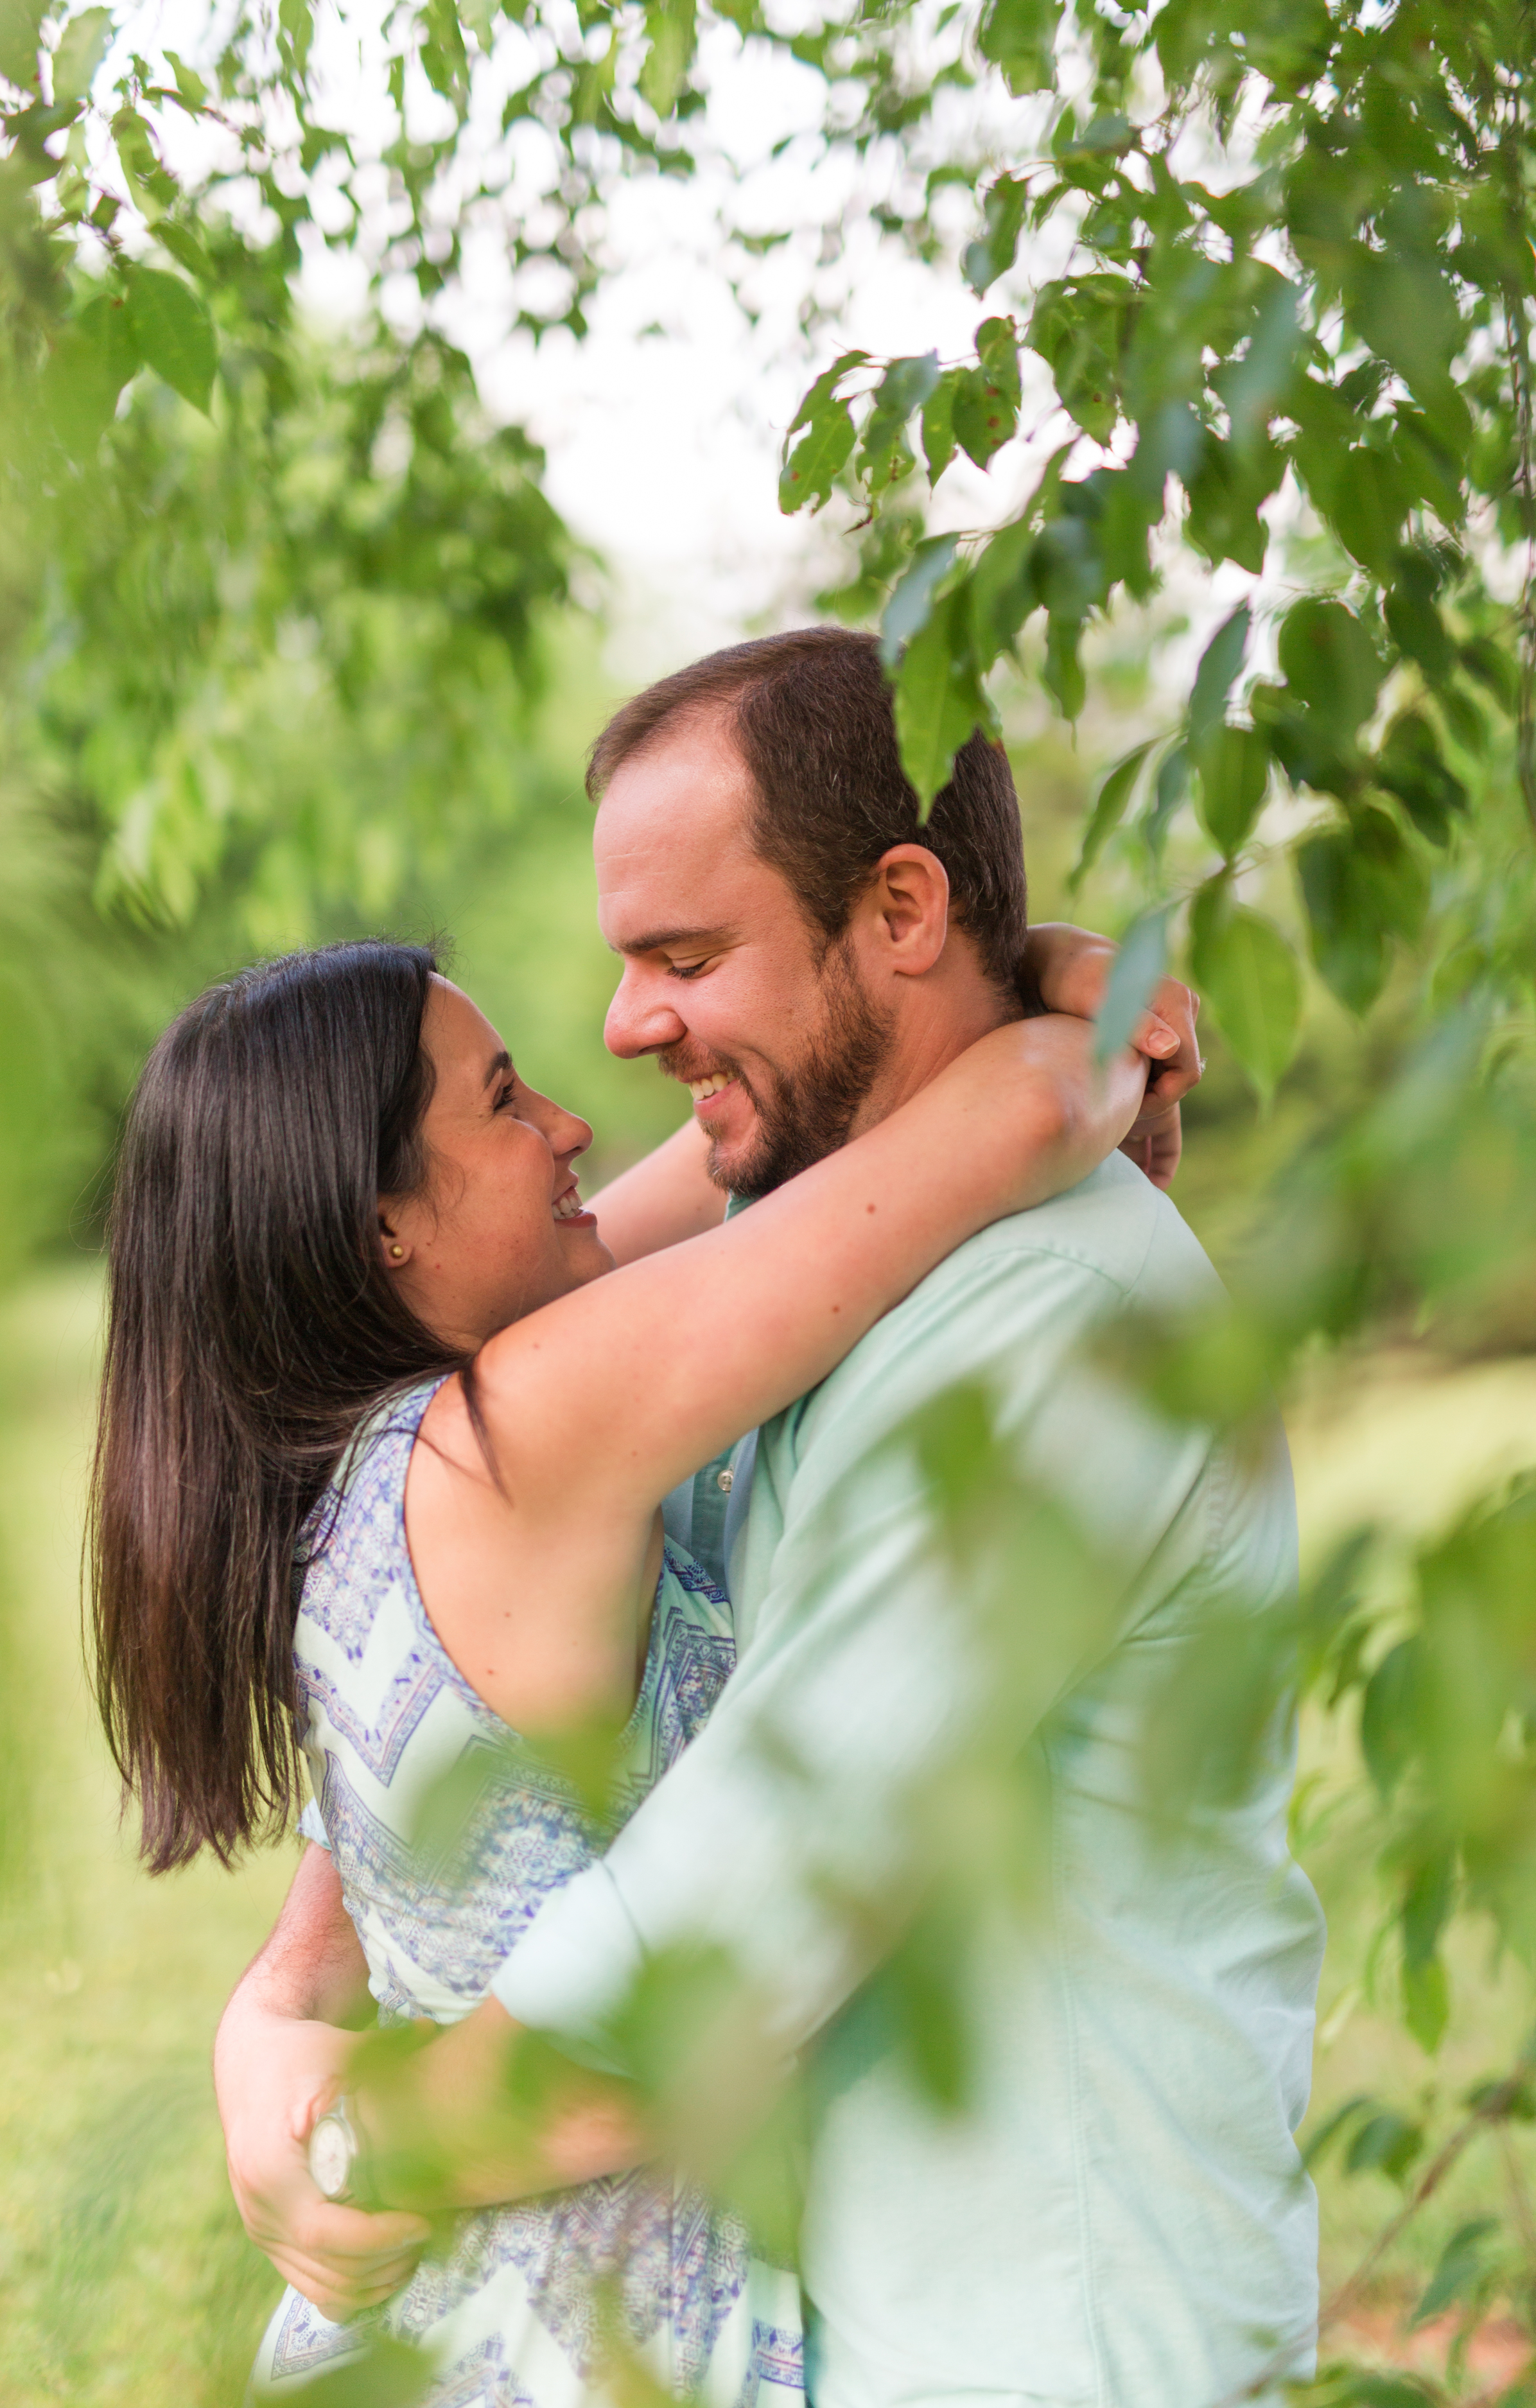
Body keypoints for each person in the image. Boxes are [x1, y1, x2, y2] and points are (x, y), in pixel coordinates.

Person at [216, 627, 1323, 2408]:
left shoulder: (1051, 1317)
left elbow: (692, 1987)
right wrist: (265, 2016)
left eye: (683, 953)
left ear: (897, 907)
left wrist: (336, 2132)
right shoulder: (819, 1260)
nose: (623, 1027)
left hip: (1046, 2342)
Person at [93, 885, 1177, 2397]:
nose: (569, 1125)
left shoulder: (340, 1478)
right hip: (576, 2337)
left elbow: (755, 1157)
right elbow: (1025, 1112)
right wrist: (1089, 999)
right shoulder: (520, 1433)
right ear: (381, 1223)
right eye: (500, 1101)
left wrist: (1002, 968)